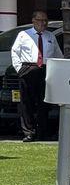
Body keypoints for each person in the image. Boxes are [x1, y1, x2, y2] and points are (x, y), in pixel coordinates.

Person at [10, 10, 62, 142]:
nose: (43, 23)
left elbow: (58, 54)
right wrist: (19, 69)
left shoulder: (50, 36)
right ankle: (28, 132)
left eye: (45, 20)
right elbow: (15, 52)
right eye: (40, 20)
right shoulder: (24, 35)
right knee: (26, 103)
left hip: (45, 69)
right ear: (33, 20)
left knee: (43, 103)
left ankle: (42, 132)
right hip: (29, 68)